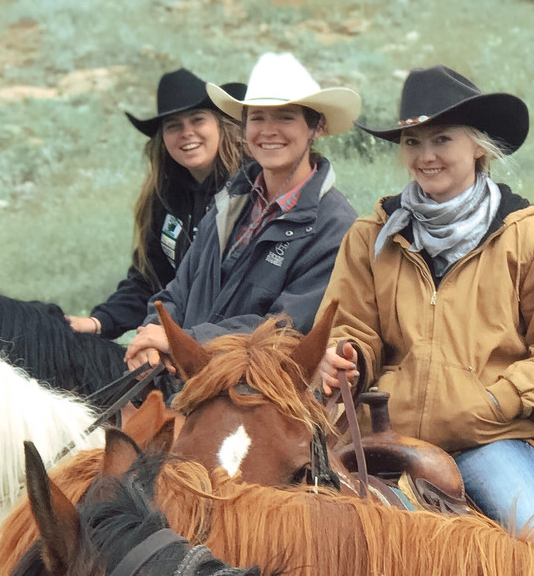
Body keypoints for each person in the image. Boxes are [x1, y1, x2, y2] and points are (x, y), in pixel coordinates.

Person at [314, 65, 534, 551]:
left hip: (487, 442)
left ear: (479, 146)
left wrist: (490, 405)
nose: (425, 156)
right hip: (383, 437)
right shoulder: (371, 237)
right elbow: (351, 327)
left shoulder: (532, 240)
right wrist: (345, 358)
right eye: (412, 142)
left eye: (441, 139)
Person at [126, 53, 359, 367]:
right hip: (188, 381)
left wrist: (184, 341)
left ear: (316, 127)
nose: (268, 130)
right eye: (258, 117)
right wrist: (154, 334)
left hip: (251, 400)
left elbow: (283, 328)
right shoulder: (231, 199)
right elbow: (179, 288)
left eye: (285, 117)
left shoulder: (336, 227)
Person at [67, 69, 246, 338]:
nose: (187, 133)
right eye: (174, 125)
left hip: (236, 342)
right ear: (162, 137)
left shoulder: (250, 190)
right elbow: (149, 279)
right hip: (179, 341)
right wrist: (99, 322)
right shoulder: (164, 197)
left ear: (220, 124)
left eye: (197, 120)